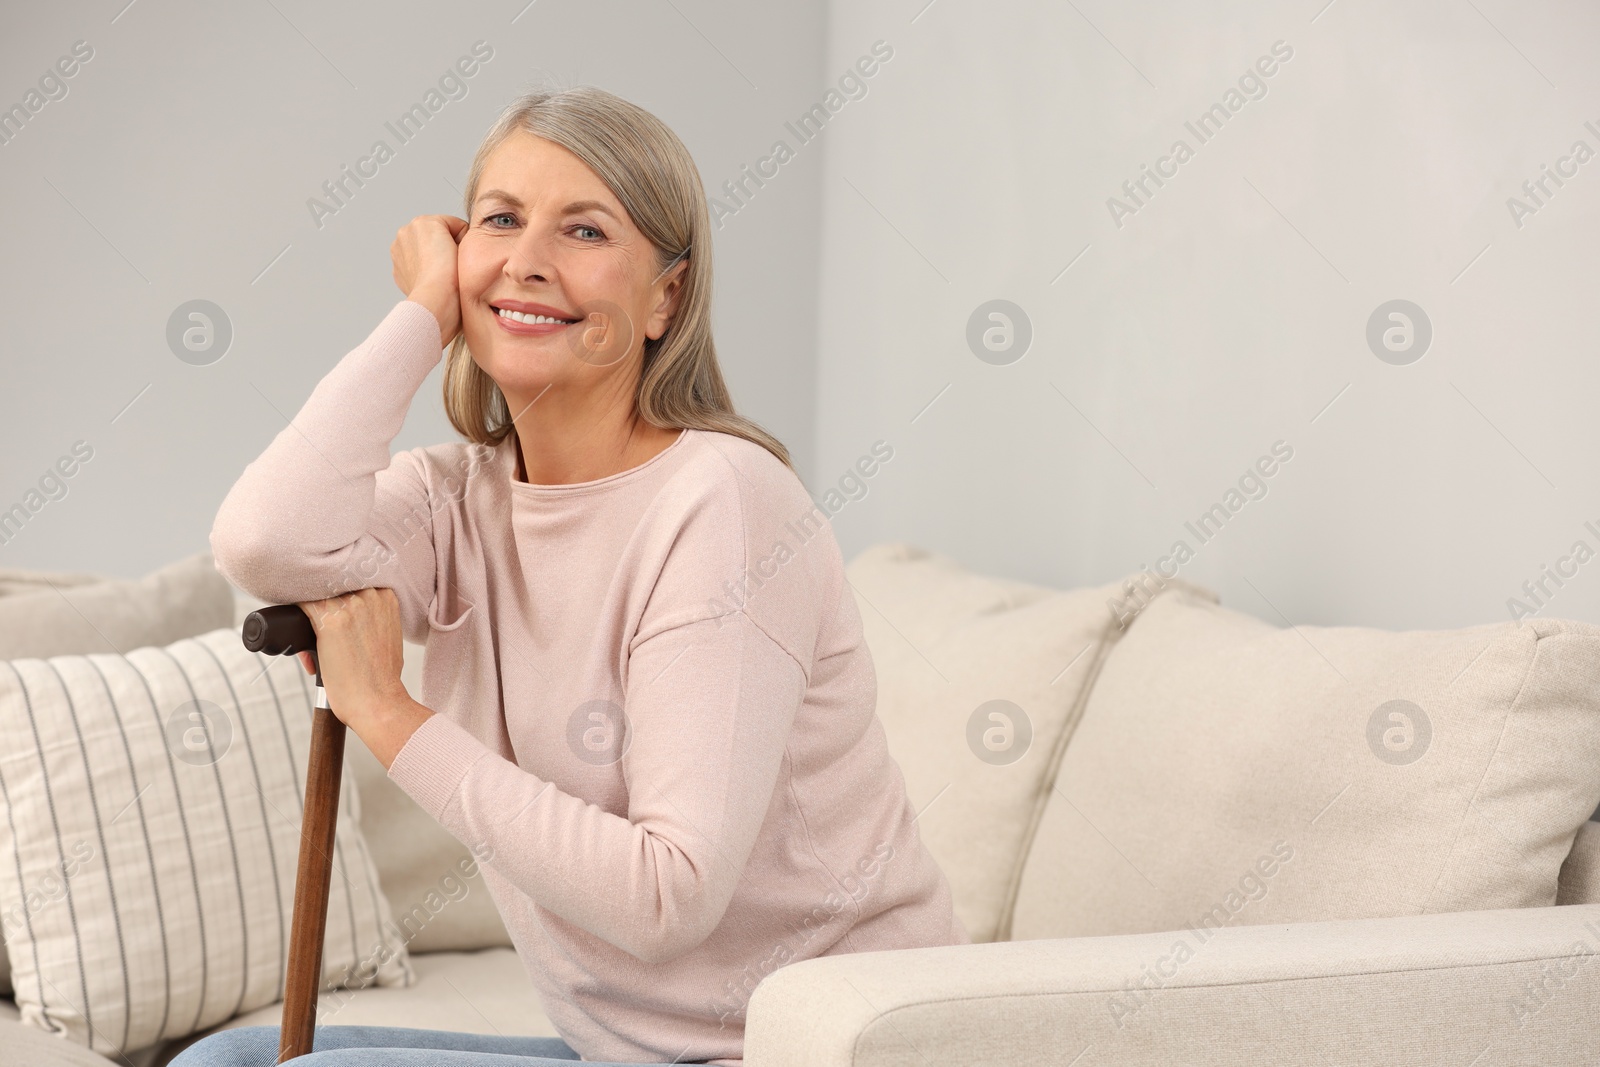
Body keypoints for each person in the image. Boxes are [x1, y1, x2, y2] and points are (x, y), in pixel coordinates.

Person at [185, 85, 967, 1067]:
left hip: (798, 1050)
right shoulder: (458, 498)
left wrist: (387, 710)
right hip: (626, 1049)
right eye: (501, 220)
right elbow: (262, 538)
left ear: (663, 298)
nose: (528, 261)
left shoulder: (720, 503)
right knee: (222, 1062)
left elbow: (665, 893)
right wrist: (425, 316)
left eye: (585, 229)